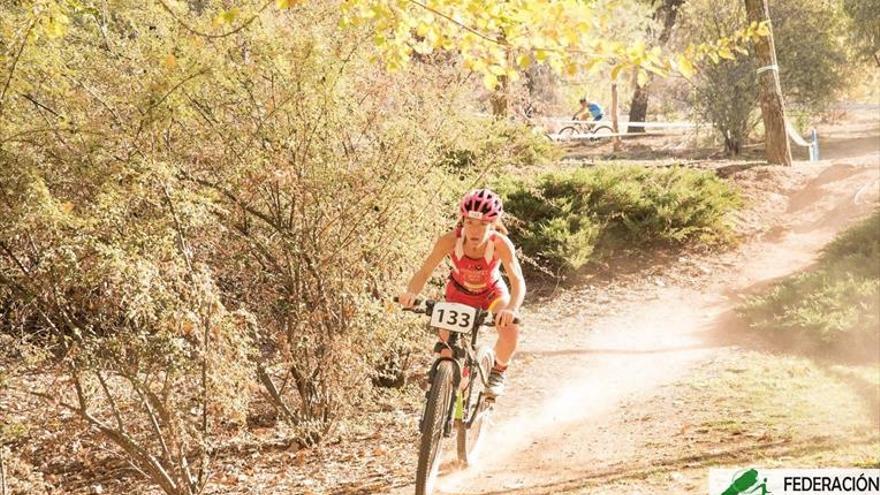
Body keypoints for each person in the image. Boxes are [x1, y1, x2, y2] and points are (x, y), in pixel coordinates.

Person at [398, 189, 526, 397]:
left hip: (491, 292)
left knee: (510, 330)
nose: (475, 231)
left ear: (493, 224)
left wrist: (512, 309)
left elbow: (517, 280)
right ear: (463, 220)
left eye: (483, 224)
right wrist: (410, 293)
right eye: (470, 223)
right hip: (458, 293)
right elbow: (424, 271)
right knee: (447, 349)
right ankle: (447, 396)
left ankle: (497, 371)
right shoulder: (449, 240)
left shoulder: (501, 244)